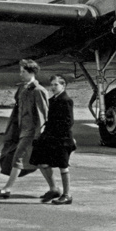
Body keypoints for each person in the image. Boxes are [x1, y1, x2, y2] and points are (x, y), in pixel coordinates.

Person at [0, 59, 51, 199]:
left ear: (31, 72)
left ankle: (6, 189)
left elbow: (43, 115)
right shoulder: (22, 89)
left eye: (23, 72)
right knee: (39, 162)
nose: (20, 74)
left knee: (18, 157)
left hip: (31, 133)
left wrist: (41, 135)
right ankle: (54, 188)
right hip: (22, 130)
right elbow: (17, 112)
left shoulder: (39, 91)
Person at [28, 74, 77, 204]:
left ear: (63, 85)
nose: (53, 87)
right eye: (52, 85)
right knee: (41, 162)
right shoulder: (53, 100)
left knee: (63, 166)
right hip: (51, 137)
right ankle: (54, 188)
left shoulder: (66, 100)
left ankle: (67, 195)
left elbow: (68, 122)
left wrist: (55, 135)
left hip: (62, 139)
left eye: (56, 85)